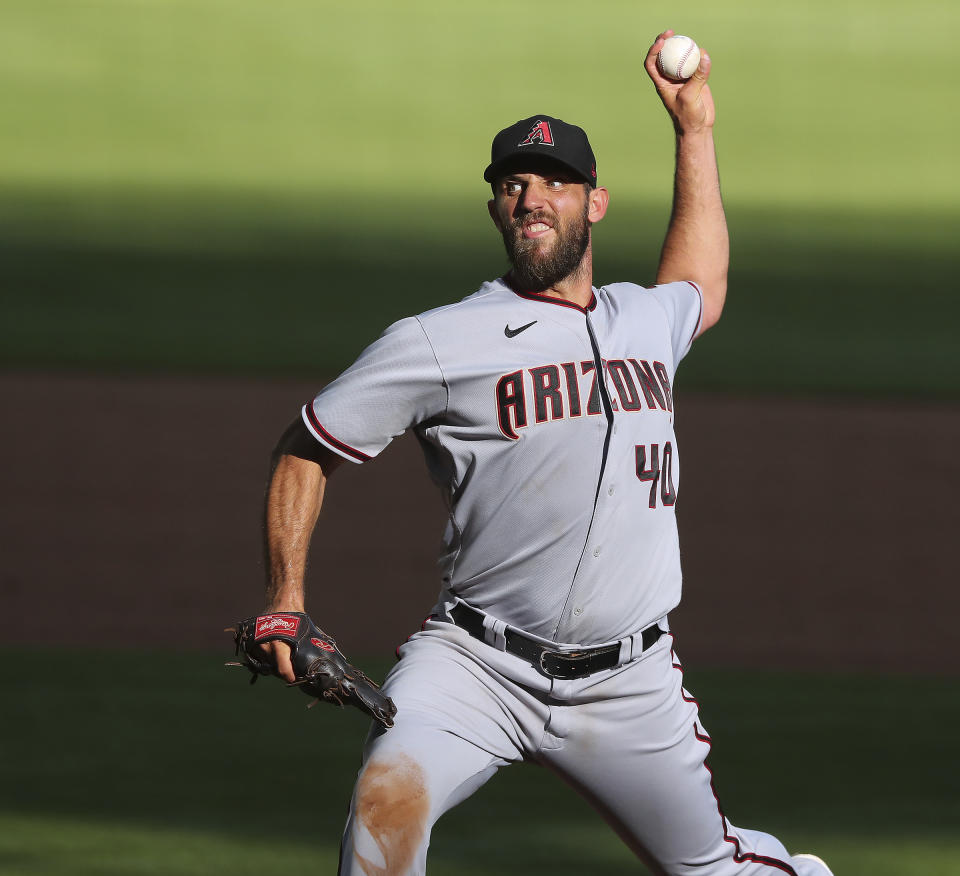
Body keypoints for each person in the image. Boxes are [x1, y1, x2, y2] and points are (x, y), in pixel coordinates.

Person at [258, 30, 834, 876]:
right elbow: (307, 447)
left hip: (630, 681)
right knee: (383, 816)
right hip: (475, 666)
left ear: (594, 203)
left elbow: (699, 286)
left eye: (556, 182)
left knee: (713, 870)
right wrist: (286, 596)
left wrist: (695, 131)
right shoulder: (439, 340)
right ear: (495, 206)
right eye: (513, 184)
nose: (532, 198)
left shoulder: (644, 319)